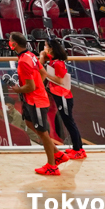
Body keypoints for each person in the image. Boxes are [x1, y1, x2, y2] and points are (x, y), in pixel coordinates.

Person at [8, 32, 63, 176]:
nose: (9, 42)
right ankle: (58, 154)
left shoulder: (23, 62)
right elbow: (43, 73)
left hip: (36, 100)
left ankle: (52, 166)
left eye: (10, 41)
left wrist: (17, 89)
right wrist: (39, 85)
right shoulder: (30, 55)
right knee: (29, 123)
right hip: (31, 99)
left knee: (43, 133)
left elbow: (30, 87)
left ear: (15, 44)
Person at [42, 38, 85, 162]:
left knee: (69, 122)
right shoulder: (53, 61)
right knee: (67, 122)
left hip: (64, 97)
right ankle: (77, 148)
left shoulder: (58, 63)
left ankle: (79, 150)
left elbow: (59, 80)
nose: (44, 48)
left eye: (45, 46)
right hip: (59, 96)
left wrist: (45, 74)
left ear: (51, 48)